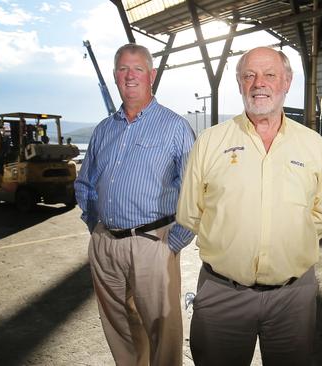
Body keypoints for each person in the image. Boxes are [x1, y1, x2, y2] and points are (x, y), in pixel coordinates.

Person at [176, 46, 322, 366]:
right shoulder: (210, 141)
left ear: (287, 82)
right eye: (249, 75)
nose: (258, 83)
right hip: (222, 293)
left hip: (293, 297)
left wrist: (287, 239)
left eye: (270, 75)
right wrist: (233, 237)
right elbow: (190, 212)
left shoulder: (312, 145)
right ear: (239, 83)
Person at [74, 43, 195, 366]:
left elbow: (196, 191)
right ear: (115, 76)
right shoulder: (104, 129)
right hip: (106, 245)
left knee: (162, 330)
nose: (130, 76)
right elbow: (85, 182)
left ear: (151, 75)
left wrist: (175, 242)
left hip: (152, 243)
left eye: (137, 69)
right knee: (120, 327)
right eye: (123, 69)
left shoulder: (174, 127)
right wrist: (97, 229)